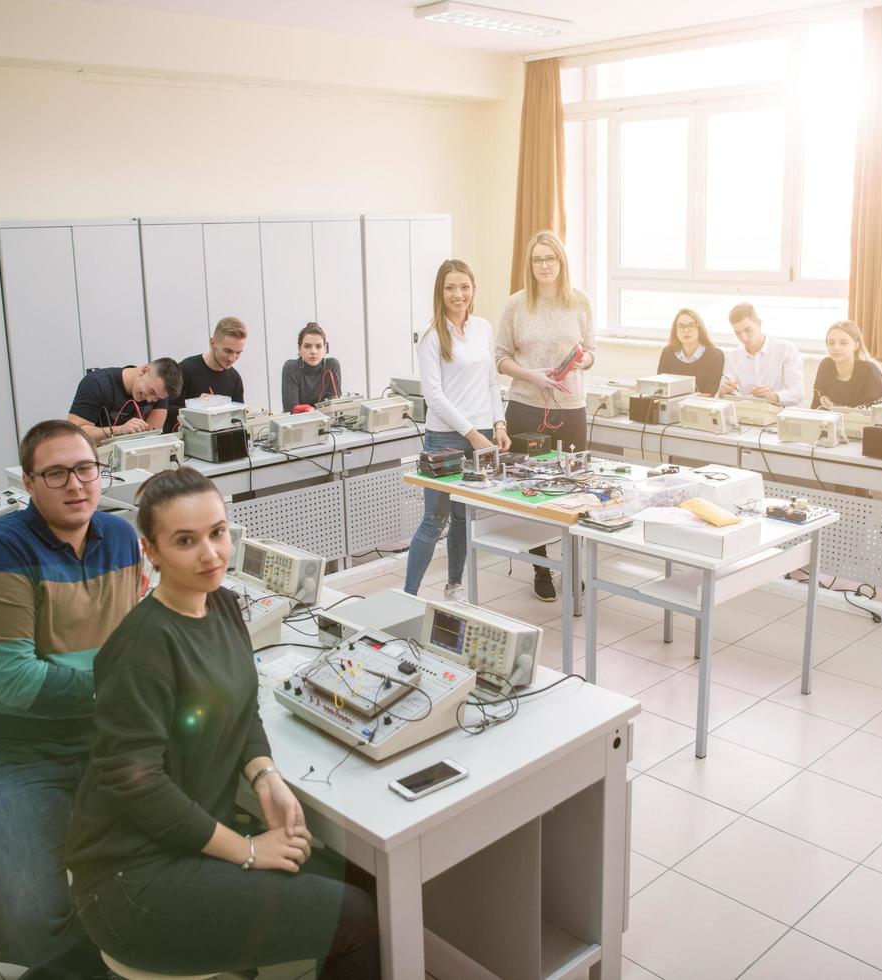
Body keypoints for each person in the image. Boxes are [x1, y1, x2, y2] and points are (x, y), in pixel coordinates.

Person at [66, 467, 380, 978]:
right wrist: (249, 850)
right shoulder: (141, 647)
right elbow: (136, 784)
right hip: (133, 878)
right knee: (358, 920)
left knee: (365, 876)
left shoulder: (224, 605)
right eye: (186, 541)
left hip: (188, 840)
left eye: (218, 533)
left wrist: (265, 777)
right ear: (152, 550)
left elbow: (242, 705)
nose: (211, 554)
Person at [0, 419, 143, 979]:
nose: (76, 485)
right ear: (28, 483)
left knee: (172, 867)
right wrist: (131, 686)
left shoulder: (121, 538)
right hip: (0, 752)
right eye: (55, 474)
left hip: (97, 736)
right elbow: (19, 685)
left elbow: (127, 644)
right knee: (28, 926)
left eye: (85, 469)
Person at [495, 230, 595, 601]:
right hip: (525, 406)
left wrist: (582, 360)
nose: (544, 265)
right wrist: (532, 375)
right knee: (532, 490)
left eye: (550, 258)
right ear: (530, 265)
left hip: (570, 408)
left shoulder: (580, 303)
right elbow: (501, 358)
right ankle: (541, 568)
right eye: (537, 259)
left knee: (573, 490)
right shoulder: (516, 306)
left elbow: (592, 352)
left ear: (561, 262)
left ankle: (572, 567)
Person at [404, 259, 509, 601]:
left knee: (464, 519)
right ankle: (409, 595)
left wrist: (499, 423)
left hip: (481, 432)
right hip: (446, 438)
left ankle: (454, 584)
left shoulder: (483, 328)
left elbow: (492, 381)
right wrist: (471, 433)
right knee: (434, 520)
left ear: (473, 289)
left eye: (464, 286)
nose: (458, 294)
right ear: (440, 292)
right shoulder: (433, 337)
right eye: (450, 287)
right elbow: (433, 396)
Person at [66, 359, 183, 446]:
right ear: (144, 371)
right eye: (151, 391)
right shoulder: (96, 383)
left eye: (157, 398)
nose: (149, 400)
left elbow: (151, 436)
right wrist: (119, 430)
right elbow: (75, 433)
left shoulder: (159, 392)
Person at [718, 303, 804, 407]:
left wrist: (774, 396)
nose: (744, 338)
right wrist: (723, 392)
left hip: (777, 416)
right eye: (738, 333)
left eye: (747, 330)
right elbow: (728, 389)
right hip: (744, 415)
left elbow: (797, 393)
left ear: (759, 323)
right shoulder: (732, 357)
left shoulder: (786, 350)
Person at [170, 318, 249, 430]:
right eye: (227, 351)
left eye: (238, 353)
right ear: (212, 343)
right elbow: (167, 412)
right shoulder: (186, 370)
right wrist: (197, 406)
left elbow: (237, 419)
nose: (232, 358)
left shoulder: (234, 378)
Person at [812, 320, 882, 409]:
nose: (836, 348)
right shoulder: (825, 366)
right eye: (831, 343)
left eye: (843, 343)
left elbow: (876, 413)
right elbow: (816, 407)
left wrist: (837, 408)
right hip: (833, 421)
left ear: (856, 345)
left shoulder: (868, 370)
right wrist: (823, 403)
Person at [656, 308, 725, 395]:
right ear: (675, 331)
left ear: (699, 328)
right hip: (672, 406)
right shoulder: (667, 353)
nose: (686, 331)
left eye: (691, 325)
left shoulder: (715, 356)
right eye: (681, 326)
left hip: (701, 406)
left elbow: (710, 393)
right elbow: (661, 388)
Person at [281, 322, 343, 411]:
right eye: (307, 346)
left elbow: (334, 406)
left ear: (325, 348)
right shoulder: (290, 368)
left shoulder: (332, 365)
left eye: (318, 346)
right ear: (299, 349)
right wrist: (308, 409)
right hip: (298, 423)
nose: (313, 351)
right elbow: (290, 409)